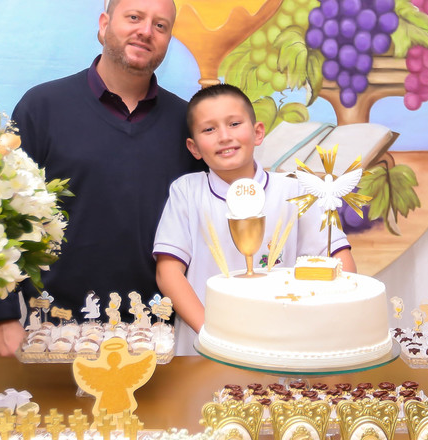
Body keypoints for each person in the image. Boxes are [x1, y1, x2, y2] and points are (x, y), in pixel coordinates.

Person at [0, 0, 201, 356]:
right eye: (134, 17)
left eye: (160, 25)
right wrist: (1, 315)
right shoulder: (42, 107)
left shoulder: (186, 124)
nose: (146, 31)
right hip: (52, 332)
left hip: (157, 338)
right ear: (104, 25)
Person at [152, 83, 355, 355]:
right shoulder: (187, 191)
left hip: (283, 346)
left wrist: (322, 323)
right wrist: (212, 334)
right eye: (209, 129)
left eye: (234, 124)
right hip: (205, 347)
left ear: (258, 132)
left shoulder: (296, 190)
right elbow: (168, 272)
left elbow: (339, 259)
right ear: (194, 147)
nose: (224, 136)